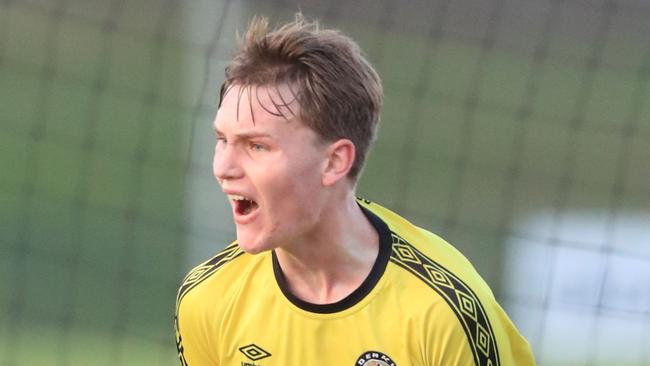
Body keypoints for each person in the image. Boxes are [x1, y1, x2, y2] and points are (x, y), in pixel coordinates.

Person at [175, 13, 535, 366]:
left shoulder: (442, 311)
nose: (223, 168)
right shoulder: (207, 300)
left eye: (257, 146)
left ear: (334, 162)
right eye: (222, 139)